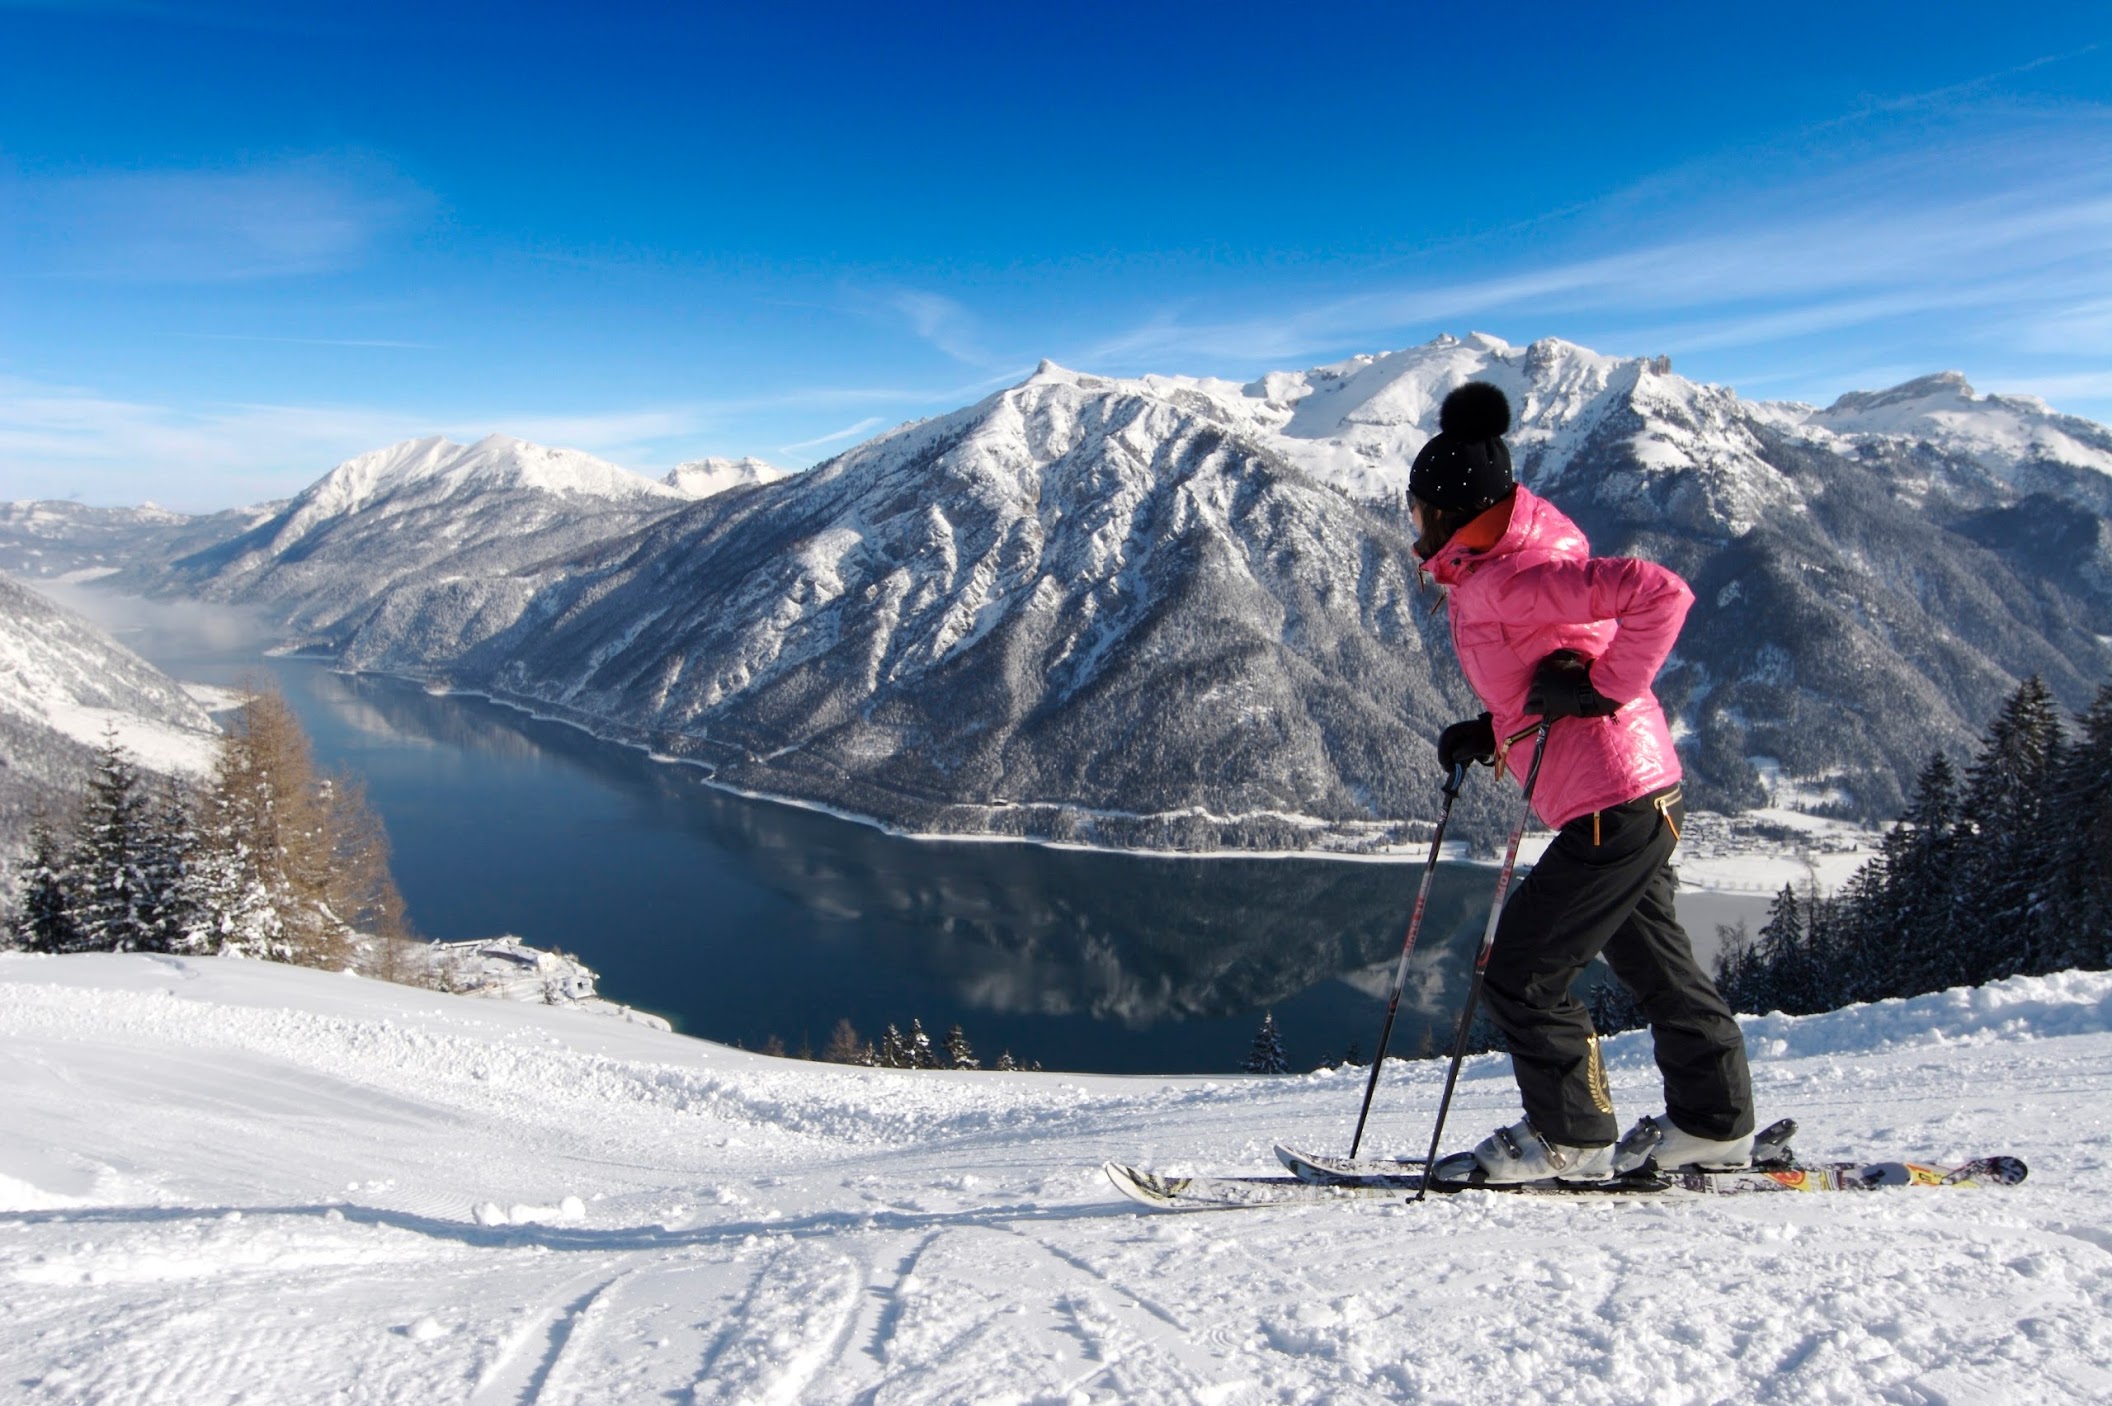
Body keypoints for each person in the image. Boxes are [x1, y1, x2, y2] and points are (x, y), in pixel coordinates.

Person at [1410, 380, 1755, 1182]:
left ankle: (1572, 1136)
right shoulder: (1501, 564)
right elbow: (1549, 667)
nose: (1414, 522)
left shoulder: (1512, 578)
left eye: (1421, 507)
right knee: (1658, 969)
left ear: (1458, 512)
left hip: (1612, 803)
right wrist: (1493, 730)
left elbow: (1659, 592)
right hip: (1637, 793)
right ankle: (1714, 1124)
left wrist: (1607, 689)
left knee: (1520, 974)